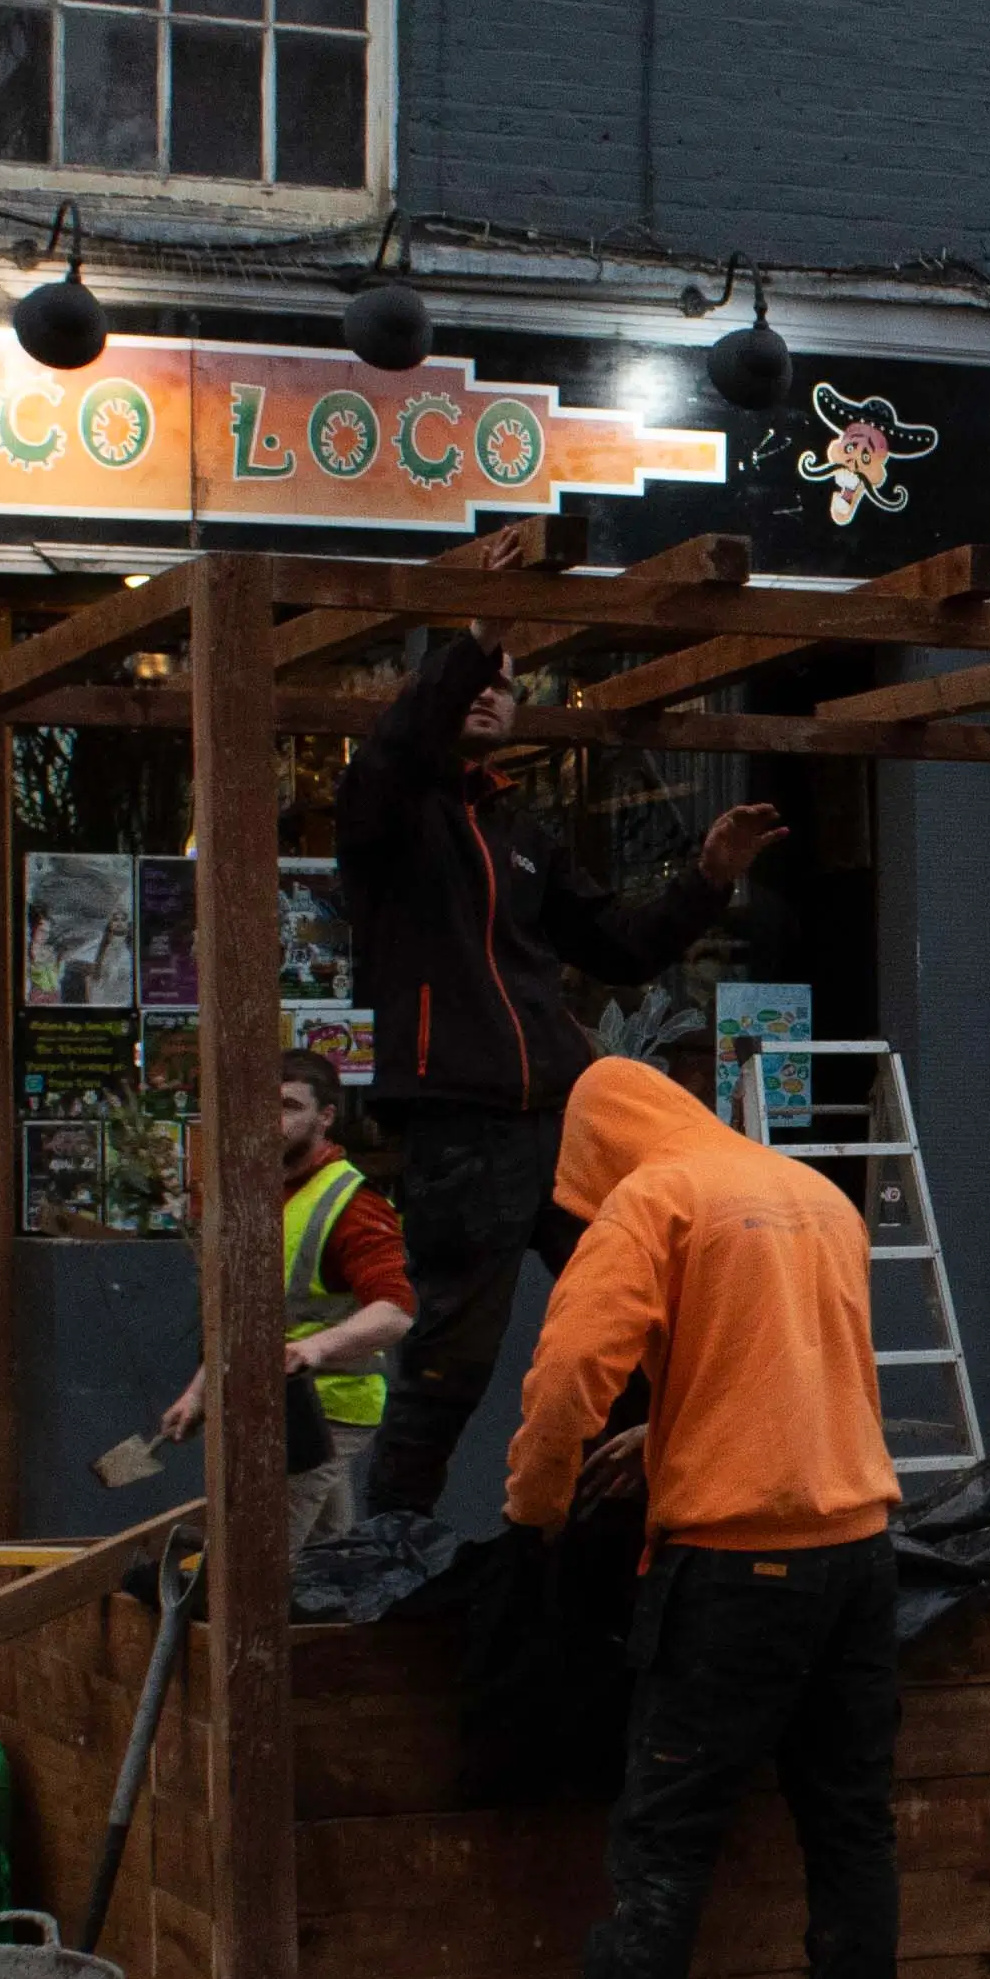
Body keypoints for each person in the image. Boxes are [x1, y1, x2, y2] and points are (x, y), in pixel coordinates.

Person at [435, 1058, 904, 1979]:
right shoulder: (812, 1194)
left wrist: (535, 1513)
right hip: (859, 1553)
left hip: (739, 1570)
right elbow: (794, 1369)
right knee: (851, 1828)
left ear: (596, 1147)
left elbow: (564, 1384)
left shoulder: (653, 1200)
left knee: (667, 1838)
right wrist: (671, 1429)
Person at [335, 629, 785, 1525]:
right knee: (454, 1354)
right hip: (459, 1122)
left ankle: (630, 1527)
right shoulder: (387, 808)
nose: (489, 692)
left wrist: (705, 881)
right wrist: (477, 631)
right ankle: (387, 1542)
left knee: (630, 1328)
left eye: (506, 684)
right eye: (474, 679)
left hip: (562, 1125)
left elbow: (620, 948)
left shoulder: (522, 831)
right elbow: (402, 736)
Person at [154, 1050, 419, 1550]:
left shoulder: (354, 1203)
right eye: (262, 1105)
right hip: (273, 1405)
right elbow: (244, 1317)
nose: (272, 1120)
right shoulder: (260, 1194)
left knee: (257, 1558)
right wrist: (199, 1392)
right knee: (327, 1557)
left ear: (326, 1117)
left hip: (326, 1408)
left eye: (289, 1105)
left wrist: (316, 1348)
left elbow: (395, 1313)